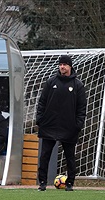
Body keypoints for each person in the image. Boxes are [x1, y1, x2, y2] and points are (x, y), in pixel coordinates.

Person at [35, 55, 87, 191]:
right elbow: (42, 102)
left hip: (69, 127)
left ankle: (70, 183)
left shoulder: (78, 85)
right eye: (60, 64)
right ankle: (42, 183)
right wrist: (40, 119)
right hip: (49, 125)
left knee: (70, 156)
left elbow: (82, 107)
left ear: (70, 66)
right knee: (44, 155)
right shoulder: (51, 82)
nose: (62, 67)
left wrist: (78, 125)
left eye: (65, 64)